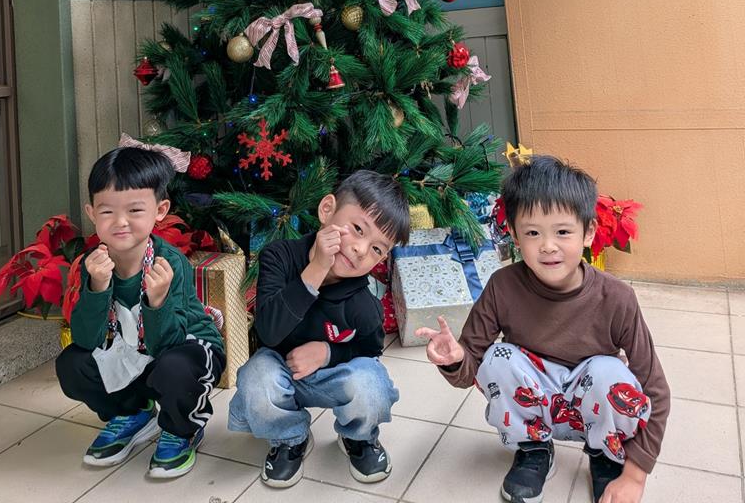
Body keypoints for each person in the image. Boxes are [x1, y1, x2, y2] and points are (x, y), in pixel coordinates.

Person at [416, 156, 670, 503]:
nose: (548, 246)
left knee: (609, 372)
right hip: (534, 403)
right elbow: (471, 366)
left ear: (588, 232)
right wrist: (455, 358)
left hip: (591, 406)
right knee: (497, 357)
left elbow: (654, 388)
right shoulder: (502, 286)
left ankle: (605, 455)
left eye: (562, 232)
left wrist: (635, 476)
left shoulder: (617, 298)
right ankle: (534, 448)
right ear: (515, 235)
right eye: (533, 232)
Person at [228, 170, 409, 489]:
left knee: (372, 382)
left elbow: (370, 351)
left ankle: (359, 438)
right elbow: (268, 332)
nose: (361, 249)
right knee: (255, 377)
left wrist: (328, 353)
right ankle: (290, 439)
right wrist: (317, 269)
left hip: (332, 378)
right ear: (327, 210)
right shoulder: (279, 257)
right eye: (357, 229)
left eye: (377, 249)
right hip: (281, 372)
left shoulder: (363, 303)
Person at [56, 144, 226, 479]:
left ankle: (182, 428)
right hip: (133, 354)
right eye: (107, 211)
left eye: (135, 210)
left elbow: (168, 343)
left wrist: (157, 302)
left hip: (183, 350)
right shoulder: (94, 263)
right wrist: (97, 288)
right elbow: (86, 340)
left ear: (160, 210)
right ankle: (132, 412)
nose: (120, 222)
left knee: (174, 368)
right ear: (91, 213)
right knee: (72, 364)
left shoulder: (168, 263)